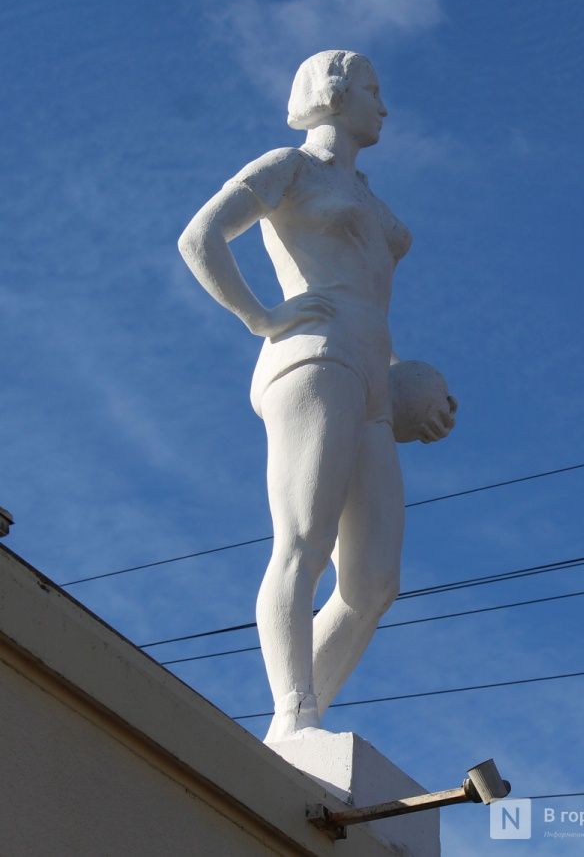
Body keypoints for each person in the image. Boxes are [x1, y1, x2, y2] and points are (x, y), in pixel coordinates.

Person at [178, 50, 456, 743]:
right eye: (372, 90)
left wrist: (408, 382)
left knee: (373, 583)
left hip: (371, 373)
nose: (383, 106)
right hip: (314, 356)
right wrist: (261, 317)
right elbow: (200, 236)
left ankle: (295, 730)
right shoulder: (290, 167)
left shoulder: (370, 195)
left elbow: (374, 297)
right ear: (333, 92)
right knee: (304, 539)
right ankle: (293, 710)